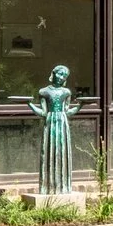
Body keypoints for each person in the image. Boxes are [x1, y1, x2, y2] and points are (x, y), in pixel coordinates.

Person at [33, 64, 75, 195]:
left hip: (62, 122)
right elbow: (44, 112)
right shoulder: (44, 92)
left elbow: (67, 111)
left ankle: (64, 187)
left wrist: (81, 106)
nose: (61, 77)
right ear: (53, 73)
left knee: (62, 151)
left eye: (64, 76)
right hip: (50, 121)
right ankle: (47, 187)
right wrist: (29, 104)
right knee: (48, 151)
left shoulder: (66, 92)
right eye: (59, 74)